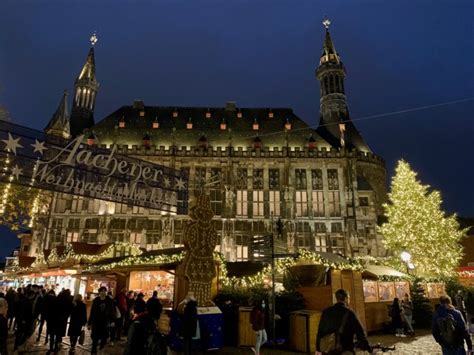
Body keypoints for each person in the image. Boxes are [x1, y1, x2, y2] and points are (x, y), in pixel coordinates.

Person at [316, 289, 372, 355]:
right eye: (349, 298)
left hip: (327, 349)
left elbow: (320, 331)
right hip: (344, 349)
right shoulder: (349, 313)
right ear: (346, 298)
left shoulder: (326, 312)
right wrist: (368, 348)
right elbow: (360, 333)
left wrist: (318, 348)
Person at [88, 286, 115, 355]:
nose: (103, 292)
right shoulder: (96, 300)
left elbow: (112, 311)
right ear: (99, 292)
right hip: (96, 322)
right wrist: (89, 322)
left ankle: (101, 346)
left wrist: (112, 321)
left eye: (104, 291)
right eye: (102, 291)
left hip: (105, 322)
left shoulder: (109, 300)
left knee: (104, 337)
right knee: (95, 337)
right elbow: (92, 312)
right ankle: (93, 351)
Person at [48, 289, 73, 354]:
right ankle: (56, 347)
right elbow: (70, 311)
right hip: (61, 321)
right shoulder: (68, 301)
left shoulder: (56, 299)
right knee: (58, 335)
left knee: (52, 334)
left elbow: (50, 309)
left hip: (53, 320)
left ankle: (51, 348)